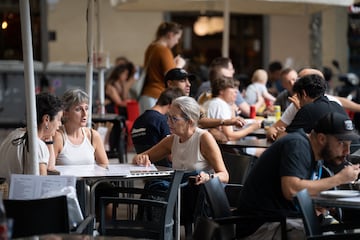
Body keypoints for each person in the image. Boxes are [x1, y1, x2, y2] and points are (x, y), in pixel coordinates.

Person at [237, 112, 360, 240]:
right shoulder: (297, 145)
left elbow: (299, 190)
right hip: (263, 228)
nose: (347, 151)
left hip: (284, 222)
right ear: (322, 138)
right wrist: (339, 179)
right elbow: (291, 190)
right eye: (342, 143)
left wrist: (316, 204)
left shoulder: (315, 153)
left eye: (349, 144)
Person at [133, 96, 229, 237]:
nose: (168, 122)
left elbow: (225, 175)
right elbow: (139, 157)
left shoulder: (204, 138)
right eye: (168, 117)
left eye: (174, 119)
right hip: (180, 196)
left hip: (198, 199)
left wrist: (208, 176)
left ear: (189, 121)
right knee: (154, 191)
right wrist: (141, 158)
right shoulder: (172, 140)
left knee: (157, 196)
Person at [53, 89, 113, 221]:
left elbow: (105, 165)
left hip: (90, 186)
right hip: (67, 188)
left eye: (87, 108)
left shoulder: (93, 136)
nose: (85, 114)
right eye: (79, 109)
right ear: (66, 112)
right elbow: (49, 169)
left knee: (108, 189)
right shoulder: (58, 137)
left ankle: (103, 229)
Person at [0, 93, 63, 183]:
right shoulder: (37, 145)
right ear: (46, 119)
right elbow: (41, 185)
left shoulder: (12, 136)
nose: (60, 124)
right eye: (59, 119)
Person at [206, 76, 263, 156]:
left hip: (215, 149)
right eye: (232, 88)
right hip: (227, 152)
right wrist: (251, 128)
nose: (236, 92)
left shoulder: (212, 102)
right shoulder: (221, 105)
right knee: (269, 150)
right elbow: (230, 136)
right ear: (221, 91)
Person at [139, 21, 186, 113]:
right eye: (177, 38)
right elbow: (172, 76)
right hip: (157, 95)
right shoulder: (164, 50)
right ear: (170, 35)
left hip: (146, 93)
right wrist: (180, 65)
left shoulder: (151, 47)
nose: (176, 42)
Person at [131, 87, 185, 167]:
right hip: (164, 171)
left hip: (144, 168)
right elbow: (171, 155)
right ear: (172, 105)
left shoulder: (138, 121)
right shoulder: (163, 121)